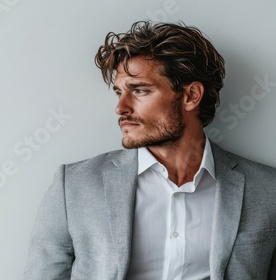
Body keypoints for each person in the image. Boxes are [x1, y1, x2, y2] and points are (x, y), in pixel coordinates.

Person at [23, 21, 276, 280]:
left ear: (190, 96)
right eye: (119, 92)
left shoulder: (267, 190)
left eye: (140, 90)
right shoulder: (74, 185)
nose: (121, 108)